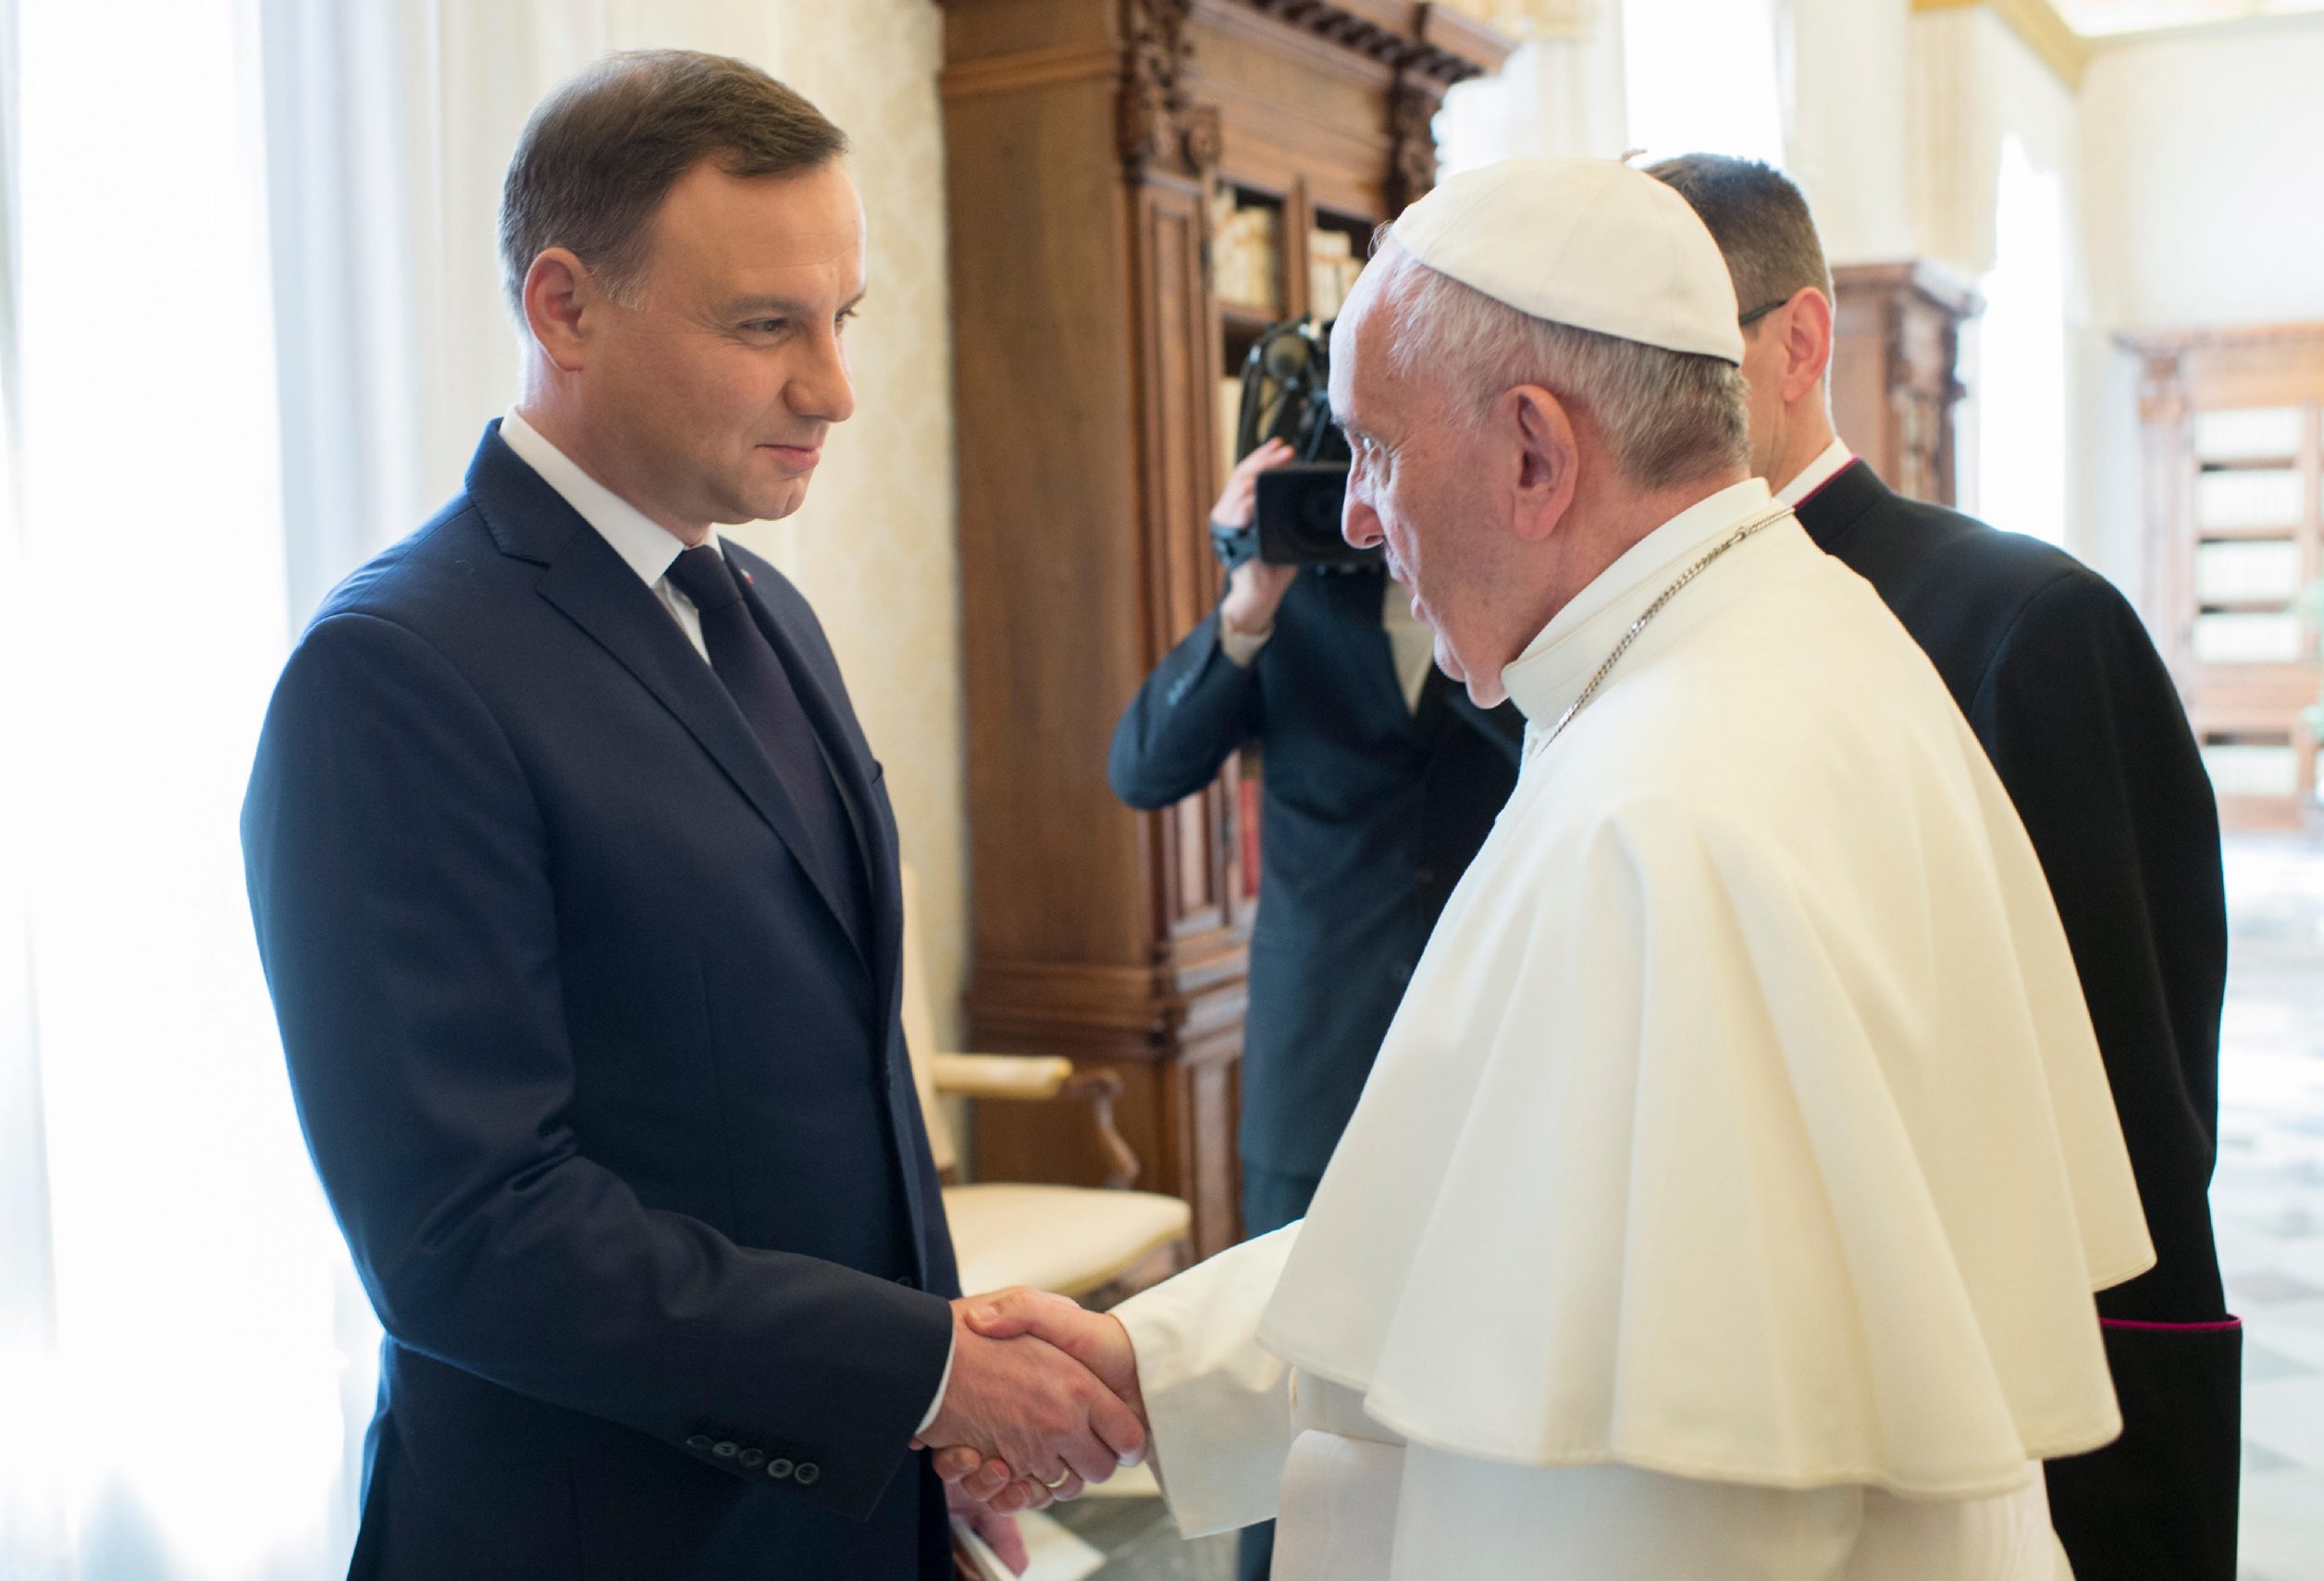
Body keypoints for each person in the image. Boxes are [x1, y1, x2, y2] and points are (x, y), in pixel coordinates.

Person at [930, 156, 2152, 1579]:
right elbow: (1504, 1245)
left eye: (1375, 448)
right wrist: (1156, 1367)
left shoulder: (1665, 812)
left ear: (1534, 454)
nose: (1361, 519)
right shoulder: (1766, 649)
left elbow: (1657, 1491)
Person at [241, 51, 1137, 1581]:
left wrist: (923, 1443)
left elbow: (841, 1090)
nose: (834, 389)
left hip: (846, 1501)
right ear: (566, 307)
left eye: (840, 319)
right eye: (765, 324)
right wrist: (926, 1369)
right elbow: (472, 1230)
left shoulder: (767, 610)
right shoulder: (392, 671)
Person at [1648, 152, 2239, 1581]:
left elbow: (2137, 1094)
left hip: (2006, 1403)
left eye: (1677, 353)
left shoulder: (2030, 620)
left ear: (1798, 342)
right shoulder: (1635, 641)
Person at [1111, 432, 1521, 1581]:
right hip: (1312, 1052)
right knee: (1280, 1390)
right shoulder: (1286, 606)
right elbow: (1142, 767)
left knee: (1469, 1365)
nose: (1368, 505)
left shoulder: (1502, 605)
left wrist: (1461, 599)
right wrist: (1248, 596)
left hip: (1482, 1047)